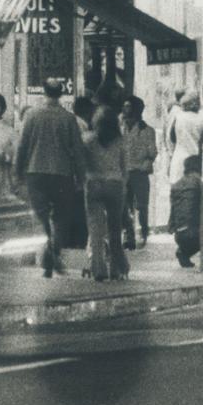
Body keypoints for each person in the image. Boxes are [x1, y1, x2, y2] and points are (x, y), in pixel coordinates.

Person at [12, 79, 86, 278]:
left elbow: (22, 146)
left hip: (35, 172)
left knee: (41, 215)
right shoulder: (68, 118)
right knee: (62, 217)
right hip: (62, 173)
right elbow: (77, 150)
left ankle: (47, 251)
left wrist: (17, 172)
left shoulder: (32, 115)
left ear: (44, 92)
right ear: (61, 93)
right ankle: (54, 250)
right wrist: (82, 176)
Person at [81, 106, 130, 281]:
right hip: (115, 184)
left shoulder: (87, 140)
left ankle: (98, 269)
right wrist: (123, 185)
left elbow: (80, 163)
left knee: (95, 230)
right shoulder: (120, 141)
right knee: (115, 229)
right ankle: (118, 268)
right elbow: (125, 168)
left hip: (93, 183)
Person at [120, 96, 157, 249]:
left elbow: (152, 152)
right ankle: (128, 235)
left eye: (128, 106)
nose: (124, 109)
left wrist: (144, 165)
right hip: (123, 173)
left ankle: (144, 233)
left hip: (139, 173)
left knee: (142, 206)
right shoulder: (119, 128)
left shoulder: (147, 131)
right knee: (124, 206)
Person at [170, 154, 203, 268]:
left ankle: (183, 251)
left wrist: (172, 227)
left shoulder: (176, 184)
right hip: (195, 233)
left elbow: (173, 209)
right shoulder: (200, 182)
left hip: (179, 234)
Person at [166, 92, 203, 183]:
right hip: (196, 162)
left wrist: (171, 154)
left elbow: (171, 138)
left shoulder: (178, 117)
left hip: (179, 160)